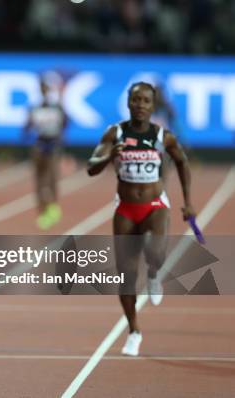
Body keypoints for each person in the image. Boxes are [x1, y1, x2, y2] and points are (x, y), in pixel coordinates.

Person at [87, 82, 195, 357]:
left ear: (153, 104)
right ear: (128, 102)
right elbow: (91, 167)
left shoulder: (163, 136)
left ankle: (155, 273)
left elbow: (182, 162)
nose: (140, 105)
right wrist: (111, 154)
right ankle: (134, 331)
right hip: (125, 208)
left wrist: (188, 203)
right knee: (125, 277)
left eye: (146, 101)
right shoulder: (115, 132)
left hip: (155, 204)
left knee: (155, 253)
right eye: (136, 100)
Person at [22, 79, 67, 230]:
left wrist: (60, 135)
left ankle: (53, 207)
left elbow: (66, 122)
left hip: (53, 144)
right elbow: (26, 126)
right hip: (40, 144)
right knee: (40, 180)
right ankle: (43, 211)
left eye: (45, 88)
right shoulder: (35, 107)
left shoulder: (57, 106)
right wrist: (28, 133)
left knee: (52, 177)